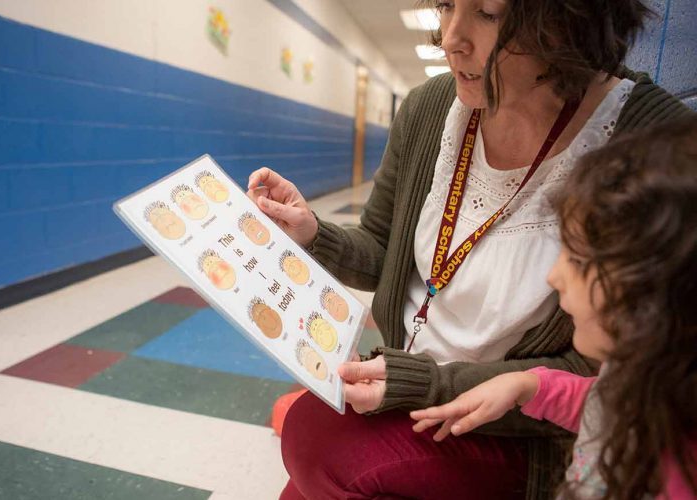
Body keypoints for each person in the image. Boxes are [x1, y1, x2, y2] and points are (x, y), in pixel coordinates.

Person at [247, 0, 694, 497]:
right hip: (401, 385)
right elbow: (380, 250)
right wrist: (312, 233)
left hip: (519, 429)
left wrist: (425, 384)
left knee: (318, 441)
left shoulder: (651, 140)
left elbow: (608, 370)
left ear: (568, 22)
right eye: (445, 5)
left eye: (489, 12)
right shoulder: (429, 108)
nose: (450, 37)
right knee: (307, 472)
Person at [411, 117, 697, 499]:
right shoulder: (636, 379)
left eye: (578, 260)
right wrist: (531, 385)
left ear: (657, 296)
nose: (554, 276)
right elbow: (603, 409)